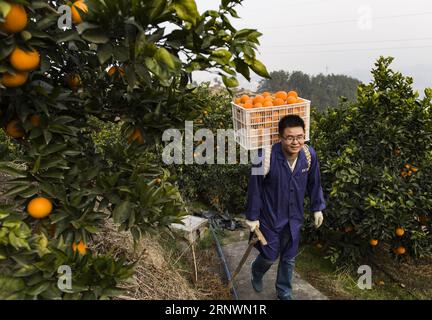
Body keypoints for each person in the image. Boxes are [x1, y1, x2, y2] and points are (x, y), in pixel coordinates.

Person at [244, 115, 326, 300]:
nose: (295, 142)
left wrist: (317, 207)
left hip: (294, 216)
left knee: (289, 256)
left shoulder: (308, 155)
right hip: (270, 216)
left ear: (305, 136)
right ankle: (256, 271)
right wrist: (252, 216)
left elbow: (315, 183)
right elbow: (254, 187)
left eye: (300, 136)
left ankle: (284, 291)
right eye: (289, 137)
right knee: (269, 255)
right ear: (280, 137)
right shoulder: (263, 156)